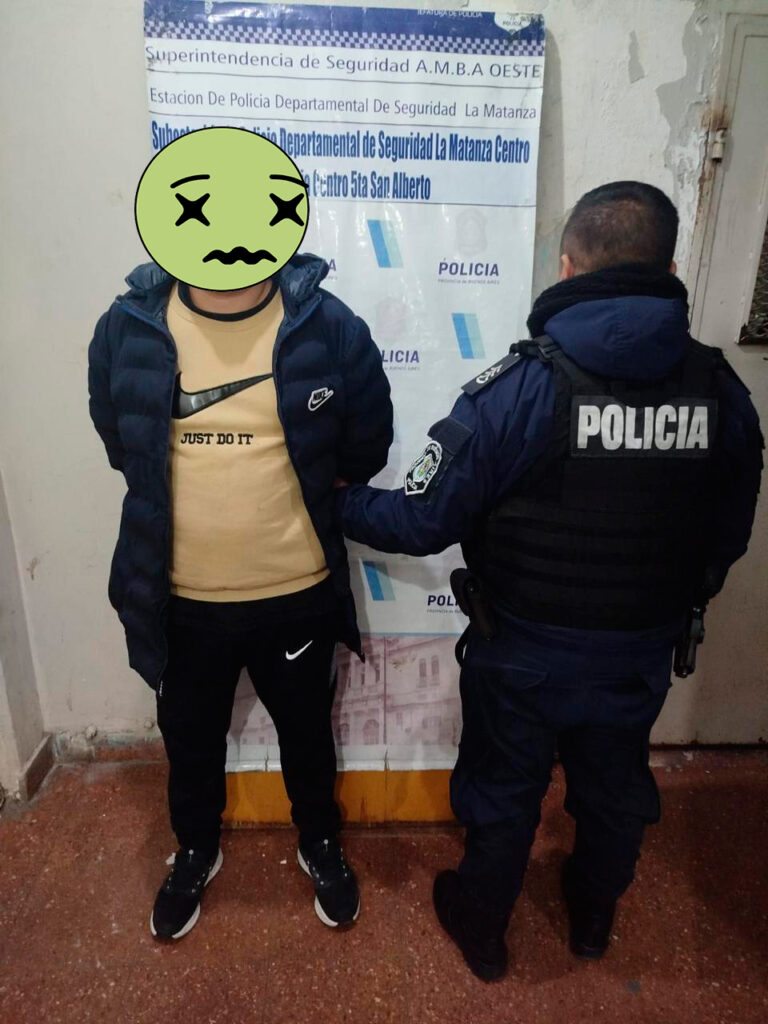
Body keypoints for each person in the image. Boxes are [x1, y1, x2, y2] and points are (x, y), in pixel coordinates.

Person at [337, 181, 763, 981]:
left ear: (567, 267)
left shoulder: (519, 390)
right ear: (670, 270)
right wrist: (669, 602)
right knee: (613, 789)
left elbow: (421, 521)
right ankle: (593, 918)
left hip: (522, 651)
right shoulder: (720, 389)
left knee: (503, 790)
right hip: (640, 650)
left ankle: (483, 931)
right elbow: (728, 534)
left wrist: (337, 501)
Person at [88, 251, 392, 938]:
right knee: (190, 743)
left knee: (307, 736)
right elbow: (121, 440)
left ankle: (320, 842)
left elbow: (366, 442)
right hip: (179, 599)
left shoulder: (328, 324)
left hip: (297, 593)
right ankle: (195, 850)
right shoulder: (129, 325)